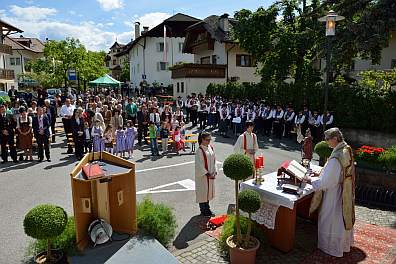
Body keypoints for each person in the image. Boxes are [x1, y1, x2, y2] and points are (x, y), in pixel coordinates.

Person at [305, 128, 355, 257]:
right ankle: (342, 244)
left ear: (335, 138)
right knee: (341, 218)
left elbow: (327, 182)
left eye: (327, 139)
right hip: (344, 189)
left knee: (331, 219)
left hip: (335, 193)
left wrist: (310, 179)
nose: (326, 142)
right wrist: (322, 173)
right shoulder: (346, 148)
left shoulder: (336, 157)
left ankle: (331, 247)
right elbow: (337, 172)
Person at [195, 132, 217, 217]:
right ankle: (203, 210)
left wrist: (214, 171)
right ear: (202, 140)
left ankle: (207, 208)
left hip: (210, 174)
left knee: (207, 193)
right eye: (207, 140)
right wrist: (207, 174)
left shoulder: (210, 147)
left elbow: (214, 159)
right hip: (203, 176)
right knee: (203, 192)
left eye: (210, 139)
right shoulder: (199, 151)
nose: (209, 141)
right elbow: (199, 165)